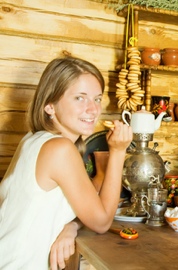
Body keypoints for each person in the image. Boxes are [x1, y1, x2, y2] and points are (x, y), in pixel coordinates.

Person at [0, 56, 133, 269]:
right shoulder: (59, 149)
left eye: (97, 99)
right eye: (80, 98)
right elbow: (101, 222)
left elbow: (88, 205)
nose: (93, 109)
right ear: (49, 106)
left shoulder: (33, 139)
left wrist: (71, 225)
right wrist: (117, 152)